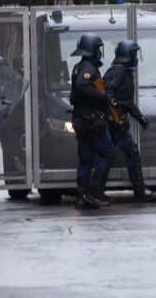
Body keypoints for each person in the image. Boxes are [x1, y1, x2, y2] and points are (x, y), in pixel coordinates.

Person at [102, 40, 156, 202]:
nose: (136, 58)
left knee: (119, 153)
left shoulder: (124, 72)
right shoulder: (118, 71)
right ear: (127, 55)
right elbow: (108, 94)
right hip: (113, 122)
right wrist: (114, 116)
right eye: (134, 54)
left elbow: (127, 102)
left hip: (118, 120)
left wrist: (140, 118)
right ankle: (95, 190)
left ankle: (139, 191)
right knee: (112, 154)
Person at [69, 34, 114, 209]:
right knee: (107, 152)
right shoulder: (88, 67)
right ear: (92, 50)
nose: (100, 53)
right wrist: (102, 95)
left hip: (82, 118)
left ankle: (83, 196)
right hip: (91, 119)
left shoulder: (79, 66)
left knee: (86, 158)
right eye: (98, 49)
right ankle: (94, 192)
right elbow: (82, 86)